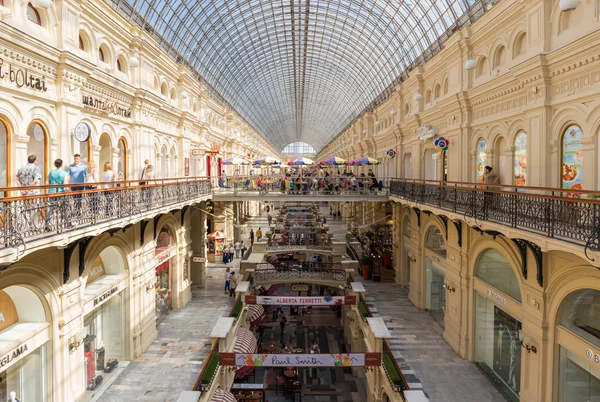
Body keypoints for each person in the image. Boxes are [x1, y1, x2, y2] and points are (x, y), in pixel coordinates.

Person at [46, 159, 70, 229]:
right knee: (65, 208)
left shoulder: (50, 173)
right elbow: (65, 184)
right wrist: (68, 190)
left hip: (52, 192)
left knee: (51, 209)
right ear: (61, 164)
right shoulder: (64, 173)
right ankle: (67, 222)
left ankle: (47, 224)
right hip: (61, 192)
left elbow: (47, 183)